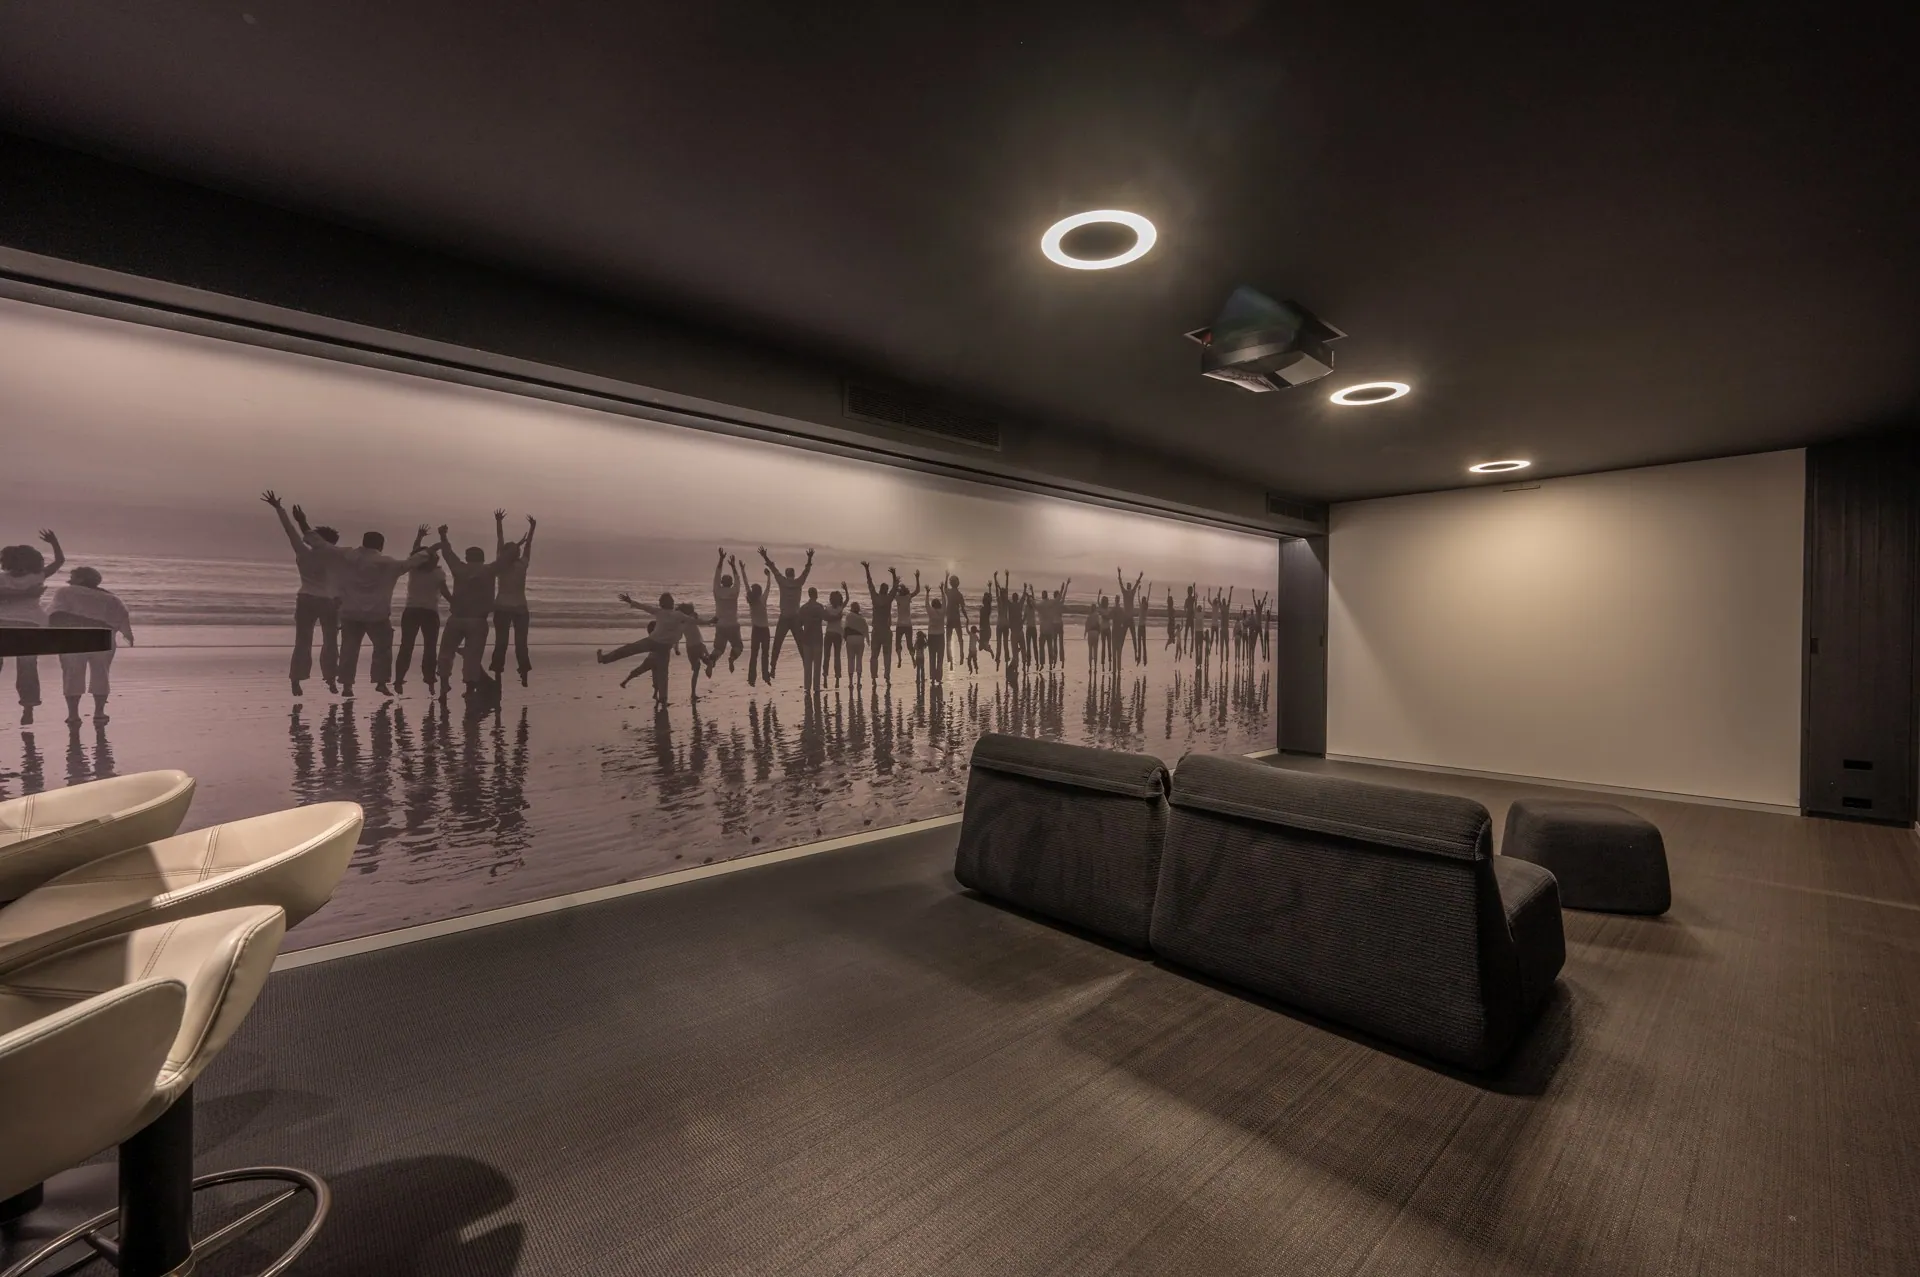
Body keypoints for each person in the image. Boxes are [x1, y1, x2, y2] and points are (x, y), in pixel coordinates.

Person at [298, 508, 433, 698]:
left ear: (363, 542)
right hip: (377, 614)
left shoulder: (347, 556)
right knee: (383, 648)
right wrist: (428, 552)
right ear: (381, 545)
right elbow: (408, 563)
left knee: (349, 650)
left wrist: (302, 522)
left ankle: (347, 686)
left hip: (350, 612)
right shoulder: (386, 563)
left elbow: (320, 544)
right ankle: (380, 682)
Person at [262, 491, 339, 696]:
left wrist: (280, 509)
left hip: (305, 598)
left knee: (303, 641)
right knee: (330, 641)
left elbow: (290, 531)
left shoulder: (303, 552)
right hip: (327, 601)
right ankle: (331, 678)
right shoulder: (335, 556)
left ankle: (296, 679)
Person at [47, 566, 133, 726]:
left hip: (73, 638)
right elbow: (122, 618)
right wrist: (128, 635)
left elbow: (54, 615)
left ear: (81, 579)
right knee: (101, 675)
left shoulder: (65, 592)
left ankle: (73, 715)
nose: (69, 579)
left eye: (73, 576)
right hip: (103, 638)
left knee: (72, 676)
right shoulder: (111, 597)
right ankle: (99, 713)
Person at [0, 530, 63, 725]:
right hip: (30, 624)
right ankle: (28, 707)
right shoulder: (37, 576)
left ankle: (28, 707)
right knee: (27, 667)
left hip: (3, 623)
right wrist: (54, 542)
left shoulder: (2, 578)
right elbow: (59, 561)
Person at [433, 524, 503, 697]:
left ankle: (444, 684)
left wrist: (443, 536)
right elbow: (505, 558)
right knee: (473, 656)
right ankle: (470, 688)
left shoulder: (460, 569)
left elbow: (447, 553)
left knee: (446, 653)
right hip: (478, 620)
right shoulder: (489, 570)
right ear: (482, 558)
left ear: (466, 557)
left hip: (457, 618)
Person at [395, 525, 451, 694]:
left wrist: (419, 537)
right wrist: (456, 603)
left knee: (406, 646)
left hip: (411, 611)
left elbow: (414, 554)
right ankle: (430, 680)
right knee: (430, 647)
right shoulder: (438, 573)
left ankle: (399, 679)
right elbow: (446, 593)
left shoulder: (414, 570)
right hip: (429, 613)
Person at [489, 510, 537, 687]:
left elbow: (525, 545)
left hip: (512, 609)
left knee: (512, 643)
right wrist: (499, 523)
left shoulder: (510, 564)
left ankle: (514, 671)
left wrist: (532, 528)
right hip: (512, 608)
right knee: (510, 643)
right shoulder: (511, 564)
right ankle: (507, 671)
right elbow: (502, 541)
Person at [759, 545, 813, 676]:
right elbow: (806, 572)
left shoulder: (782, 581)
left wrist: (765, 556)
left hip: (784, 616)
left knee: (777, 643)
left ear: (786, 574)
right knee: (801, 644)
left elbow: (773, 569)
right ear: (793, 575)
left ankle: (773, 667)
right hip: (795, 617)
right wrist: (809, 559)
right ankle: (807, 667)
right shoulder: (799, 582)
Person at [710, 549, 745, 675]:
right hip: (733, 624)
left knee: (719, 648)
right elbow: (738, 580)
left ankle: (711, 662)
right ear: (731, 583)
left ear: (721, 583)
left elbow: (716, 575)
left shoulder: (717, 591)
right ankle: (732, 658)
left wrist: (721, 559)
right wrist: (733, 566)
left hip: (720, 624)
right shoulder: (734, 592)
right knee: (738, 646)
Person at [861, 563, 894, 683]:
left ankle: (874, 676)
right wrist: (894, 575)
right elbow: (895, 588)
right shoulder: (889, 599)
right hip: (886, 630)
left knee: (874, 655)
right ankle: (887, 675)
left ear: (880, 589)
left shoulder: (875, 598)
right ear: (887, 590)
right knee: (887, 655)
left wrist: (867, 569)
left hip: (876, 630)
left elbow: (870, 584)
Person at [745, 567, 774, 686]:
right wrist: (769, 576)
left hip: (756, 630)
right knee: (765, 654)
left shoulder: (752, 602)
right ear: (760, 592)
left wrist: (742, 570)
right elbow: (768, 587)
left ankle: (752, 678)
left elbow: (746, 585)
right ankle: (765, 676)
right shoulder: (762, 599)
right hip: (764, 630)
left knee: (754, 654)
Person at [891, 569, 920, 670]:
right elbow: (917, 590)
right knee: (909, 644)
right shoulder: (908, 597)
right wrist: (917, 578)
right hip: (908, 625)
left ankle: (900, 659)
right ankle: (912, 659)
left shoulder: (898, 598)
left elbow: (893, 589)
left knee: (898, 643)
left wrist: (894, 575)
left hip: (900, 625)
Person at [823, 587, 848, 686]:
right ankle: (837, 678)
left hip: (829, 633)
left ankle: (825, 676)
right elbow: (847, 599)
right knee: (837, 656)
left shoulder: (827, 608)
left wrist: (832, 618)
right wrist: (846, 590)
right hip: (837, 634)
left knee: (826, 656)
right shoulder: (840, 608)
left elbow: (825, 618)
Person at [843, 601, 868, 690]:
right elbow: (865, 629)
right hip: (860, 639)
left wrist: (844, 639)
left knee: (850, 660)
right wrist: (868, 640)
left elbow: (845, 628)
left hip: (850, 639)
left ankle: (850, 682)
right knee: (859, 660)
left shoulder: (849, 616)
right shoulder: (862, 618)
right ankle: (858, 682)